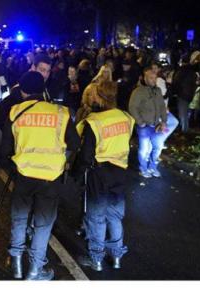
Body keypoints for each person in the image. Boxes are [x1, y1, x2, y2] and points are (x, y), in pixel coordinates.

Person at [0, 71, 80, 280]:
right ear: (42, 89)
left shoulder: (15, 112)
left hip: (24, 174)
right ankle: (35, 270)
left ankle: (16, 263)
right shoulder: (61, 113)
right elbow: (75, 143)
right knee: (43, 224)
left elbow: (5, 148)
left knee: (19, 219)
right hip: (50, 177)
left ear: (23, 90)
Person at [74, 80, 134, 272]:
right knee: (115, 216)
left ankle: (96, 258)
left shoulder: (94, 122)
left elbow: (85, 154)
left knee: (96, 218)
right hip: (120, 171)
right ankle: (117, 257)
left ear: (99, 97)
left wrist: (75, 173)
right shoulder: (126, 117)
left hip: (99, 174)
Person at [0, 54, 52, 131]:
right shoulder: (22, 88)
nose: (45, 75)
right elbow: (0, 114)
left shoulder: (43, 86)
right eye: (42, 70)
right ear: (33, 67)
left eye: (48, 71)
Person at [129, 67, 167, 178]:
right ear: (144, 78)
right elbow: (132, 107)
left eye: (155, 78)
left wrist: (164, 121)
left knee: (158, 147)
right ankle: (143, 168)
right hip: (144, 126)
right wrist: (140, 122)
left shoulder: (158, 90)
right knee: (144, 149)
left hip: (157, 125)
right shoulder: (138, 91)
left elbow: (162, 107)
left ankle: (152, 167)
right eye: (151, 78)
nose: (154, 80)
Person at [172, 55, 197, 132]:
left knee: (183, 114)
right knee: (185, 113)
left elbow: (176, 83)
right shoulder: (192, 71)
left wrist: (174, 91)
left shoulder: (181, 71)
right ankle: (184, 130)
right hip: (189, 94)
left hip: (182, 94)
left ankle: (184, 132)